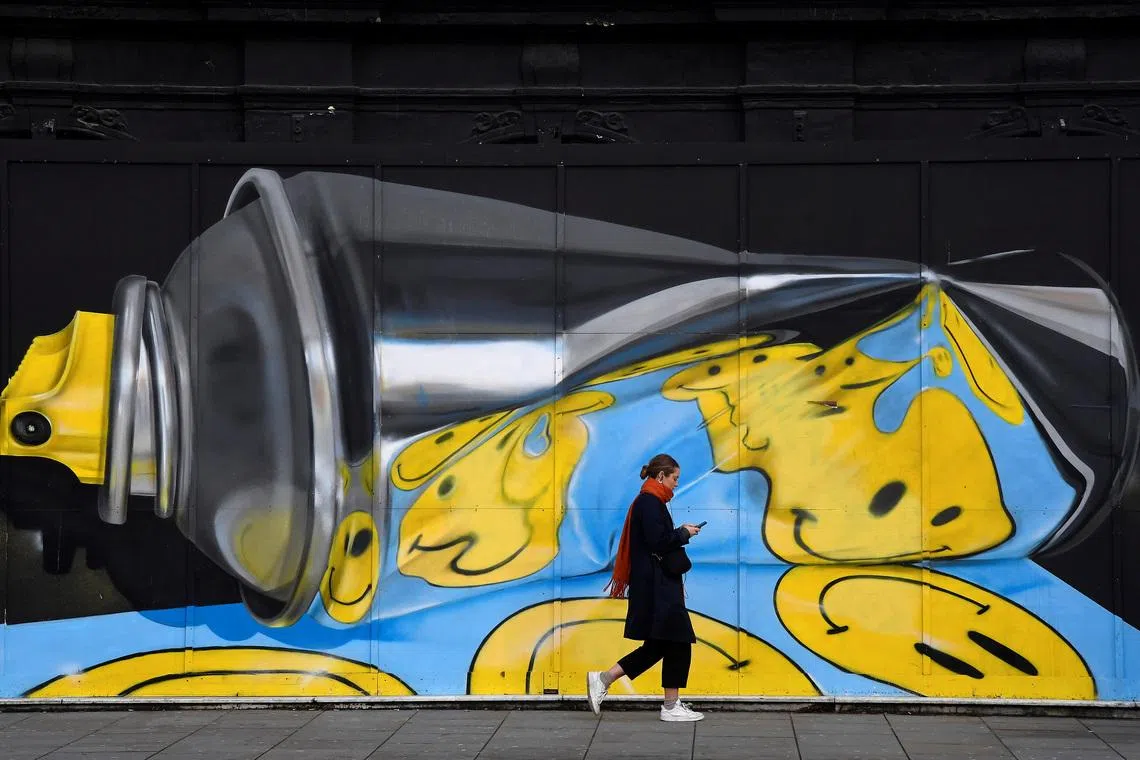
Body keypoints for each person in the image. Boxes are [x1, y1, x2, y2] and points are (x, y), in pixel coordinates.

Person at [587, 453, 704, 722]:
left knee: (661, 644)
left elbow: (657, 540)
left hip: (656, 584)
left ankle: (604, 679)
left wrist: (680, 532)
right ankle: (670, 706)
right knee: (676, 639)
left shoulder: (650, 502)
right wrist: (684, 533)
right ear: (660, 476)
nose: (676, 483)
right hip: (657, 586)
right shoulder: (650, 503)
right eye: (674, 478)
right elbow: (658, 542)